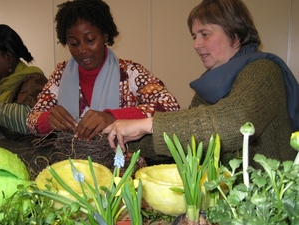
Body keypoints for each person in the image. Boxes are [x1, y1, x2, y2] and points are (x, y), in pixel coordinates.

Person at [103, 0, 299, 167]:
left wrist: (147, 124)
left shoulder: (263, 70)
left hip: (270, 204)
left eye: (205, 34)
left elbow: (234, 122)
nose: (196, 45)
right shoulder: (212, 83)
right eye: (194, 36)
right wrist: (125, 138)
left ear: (235, 36)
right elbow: (193, 140)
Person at [26, 0, 180, 142]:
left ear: (105, 36)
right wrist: (48, 120)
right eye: (74, 43)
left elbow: (170, 108)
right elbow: (31, 120)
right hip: (70, 164)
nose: (82, 50)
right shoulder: (60, 74)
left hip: (120, 167)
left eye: (90, 40)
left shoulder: (130, 73)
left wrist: (113, 117)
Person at [0, 24, 48, 140]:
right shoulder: (2, 84)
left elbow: (26, 119)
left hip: (29, 156)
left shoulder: (34, 80)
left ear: (9, 57)